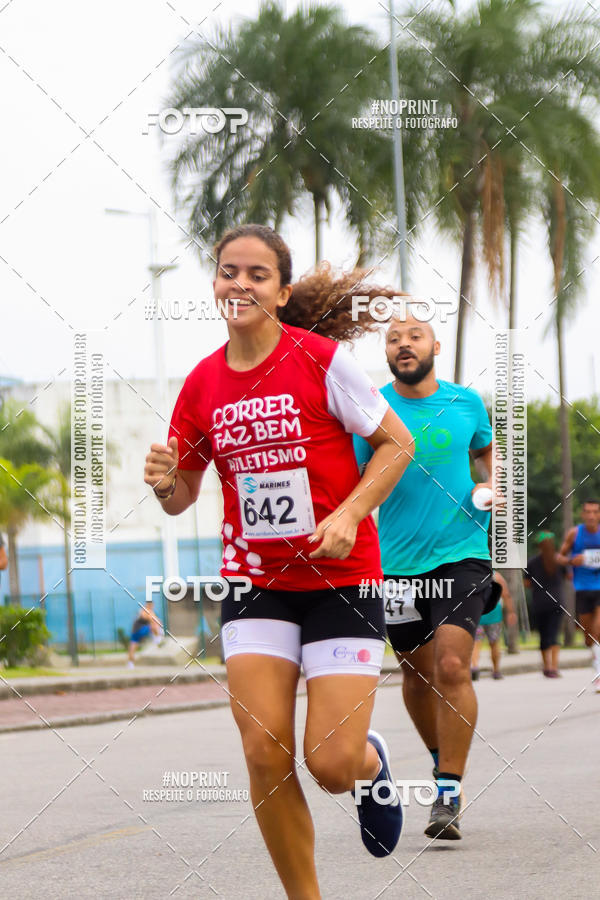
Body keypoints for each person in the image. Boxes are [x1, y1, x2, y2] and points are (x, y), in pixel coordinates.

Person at [143, 224, 414, 898]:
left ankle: (370, 763)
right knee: (264, 752)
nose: (240, 283)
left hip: (341, 581)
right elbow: (181, 498)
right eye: (228, 271)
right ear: (215, 284)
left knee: (330, 763)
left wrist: (348, 514)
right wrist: (164, 481)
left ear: (282, 291)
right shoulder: (201, 385)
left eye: (257, 274)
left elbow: (397, 444)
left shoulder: (321, 361)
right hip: (255, 582)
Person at [354, 313, 499, 841]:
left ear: (434, 347)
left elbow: (486, 450)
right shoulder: (372, 408)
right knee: (416, 676)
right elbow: (357, 477)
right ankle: (441, 761)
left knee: (452, 665)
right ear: (387, 353)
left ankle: (449, 791)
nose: (404, 344)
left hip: (462, 552)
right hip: (396, 563)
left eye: (414, 336)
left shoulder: (466, 403)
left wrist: (491, 485)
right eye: (393, 339)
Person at [559, 499, 600, 687]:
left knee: (598, 629)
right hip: (582, 588)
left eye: (595, 512)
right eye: (588, 512)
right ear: (583, 514)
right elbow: (559, 557)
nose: (591, 515)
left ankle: (598, 674)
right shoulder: (575, 534)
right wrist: (571, 561)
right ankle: (595, 660)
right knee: (588, 637)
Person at [524, 532, 566, 678]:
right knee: (554, 633)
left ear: (539, 545)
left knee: (543, 635)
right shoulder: (559, 561)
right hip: (556, 602)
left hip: (539, 602)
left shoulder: (532, 562)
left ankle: (546, 666)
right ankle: (554, 667)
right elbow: (568, 576)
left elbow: (527, 583)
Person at [471, 571, 517, 680]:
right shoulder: (496, 576)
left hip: (477, 614)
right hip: (494, 615)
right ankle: (496, 671)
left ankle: (474, 667)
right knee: (494, 643)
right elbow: (506, 595)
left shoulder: (474, 574)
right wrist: (511, 612)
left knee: (476, 642)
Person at [127, 599, 163, 668]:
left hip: (136, 631)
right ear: (148, 605)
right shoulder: (144, 611)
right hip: (139, 630)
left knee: (133, 647)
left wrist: (158, 622)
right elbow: (150, 619)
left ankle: (130, 663)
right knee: (153, 623)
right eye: (151, 605)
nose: (152, 606)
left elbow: (155, 619)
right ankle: (157, 638)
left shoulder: (148, 611)